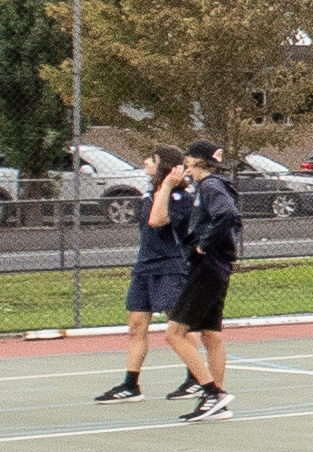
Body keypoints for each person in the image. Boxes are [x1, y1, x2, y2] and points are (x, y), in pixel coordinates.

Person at [163, 140, 245, 416]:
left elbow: (228, 214)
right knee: (211, 335)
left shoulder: (210, 186)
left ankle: (213, 392)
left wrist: (204, 242)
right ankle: (218, 403)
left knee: (174, 334)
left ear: (195, 160)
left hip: (208, 267)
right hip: (216, 267)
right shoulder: (208, 186)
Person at [96, 148, 182, 397]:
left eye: (152, 159)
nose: (145, 161)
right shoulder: (148, 192)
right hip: (145, 265)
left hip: (170, 265)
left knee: (177, 325)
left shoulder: (178, 196)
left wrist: (166, 186)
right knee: (136, 324)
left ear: (165, 165)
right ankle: (131, 384)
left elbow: (158, 220)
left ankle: (196, 378)